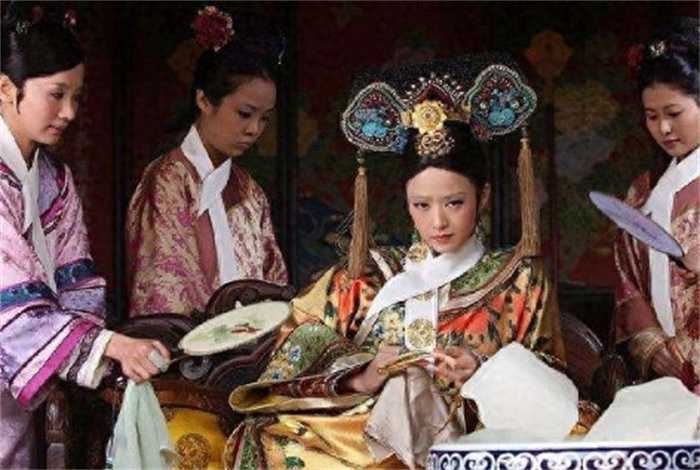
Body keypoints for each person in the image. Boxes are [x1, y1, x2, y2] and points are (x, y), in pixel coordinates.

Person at [222, 56, 565, 469]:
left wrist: (485, 370)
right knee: (271, 437)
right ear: (406, 202)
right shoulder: (364, 276)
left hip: (471, 437)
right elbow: (296, 345)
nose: (437, 222)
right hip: (362, 438)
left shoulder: (521, 280)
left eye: (455, 203)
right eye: (421, 205)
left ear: (484, 196)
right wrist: (361, 375)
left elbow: (555, 381)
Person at [0, 7, 168, 467]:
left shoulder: (55, 180)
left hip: (30, 386)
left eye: (76, 97)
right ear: (6, 89)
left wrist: (93, 347)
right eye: (56, 95)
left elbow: (79, 285)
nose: (69, 112)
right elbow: (9, 304)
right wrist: (104, 345)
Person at [126, 6, 288, 318]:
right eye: (244, 114)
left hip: (254, 341)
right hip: (189, 343)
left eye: (264, 118)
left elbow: (274, 282)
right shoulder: (168, 180)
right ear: (203, 100)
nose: (254, 129)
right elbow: (165, 289)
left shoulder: (250, 191)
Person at [614, 17, 699, 394]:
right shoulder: (642, 193)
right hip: (663, 378)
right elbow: (628, 282)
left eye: (674, 113)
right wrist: (652, 344)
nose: (663, 128)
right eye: (652, 116)